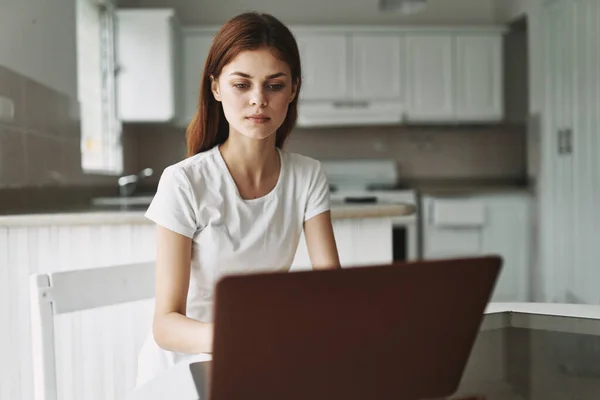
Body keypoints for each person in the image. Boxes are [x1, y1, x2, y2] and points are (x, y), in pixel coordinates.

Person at [135, 11, 341, 388]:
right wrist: (240, 339)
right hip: (185, 365)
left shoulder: (307, 176)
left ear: (294, 89)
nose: (258, 100)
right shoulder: (184, 182)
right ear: (216, 88)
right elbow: (165, 323)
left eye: (274, 86)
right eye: (241, 85)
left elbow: (332, 292)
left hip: (261, 356)